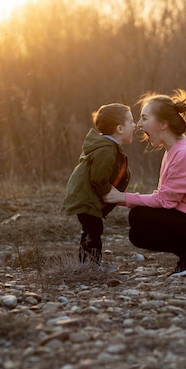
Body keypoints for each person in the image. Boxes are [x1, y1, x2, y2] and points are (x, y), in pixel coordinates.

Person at [103, 90, 186, 277]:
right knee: (137, 225)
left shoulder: (184, 153)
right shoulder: (175, 149)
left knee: (139, 218)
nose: (139, 125)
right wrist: (122, 199)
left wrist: (122, 198)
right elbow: (168, 198)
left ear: (163, 124)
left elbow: (165, 201)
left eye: (145, 118)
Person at [61, 103, 136, 267]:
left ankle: (87, 263)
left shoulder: (109, 148)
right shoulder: (107, 150)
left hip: (88, 198)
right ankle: (91, 264)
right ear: (120, 129)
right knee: (93, 230)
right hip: (86, 199)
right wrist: (108, 194)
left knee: (90, 230)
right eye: (131, 121)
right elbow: (98, 178)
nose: (135, 125)